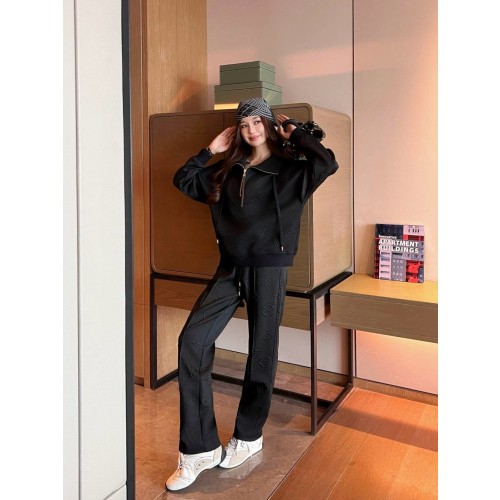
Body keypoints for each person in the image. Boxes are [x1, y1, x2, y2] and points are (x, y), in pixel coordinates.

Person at [166, 97, 339, 491]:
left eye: (257, 122)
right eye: (244, 125)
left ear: (268, 125)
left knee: (261, 352)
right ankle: (199, 449)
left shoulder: (292, 171)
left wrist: (295, 134)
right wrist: (210, 150)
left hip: (269, 268)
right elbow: (183, 179)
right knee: (192, 341)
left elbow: (327, 163)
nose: (251, 130)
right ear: (238, 131)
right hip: (230, 267)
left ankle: (248, 436)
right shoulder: (226, 171)